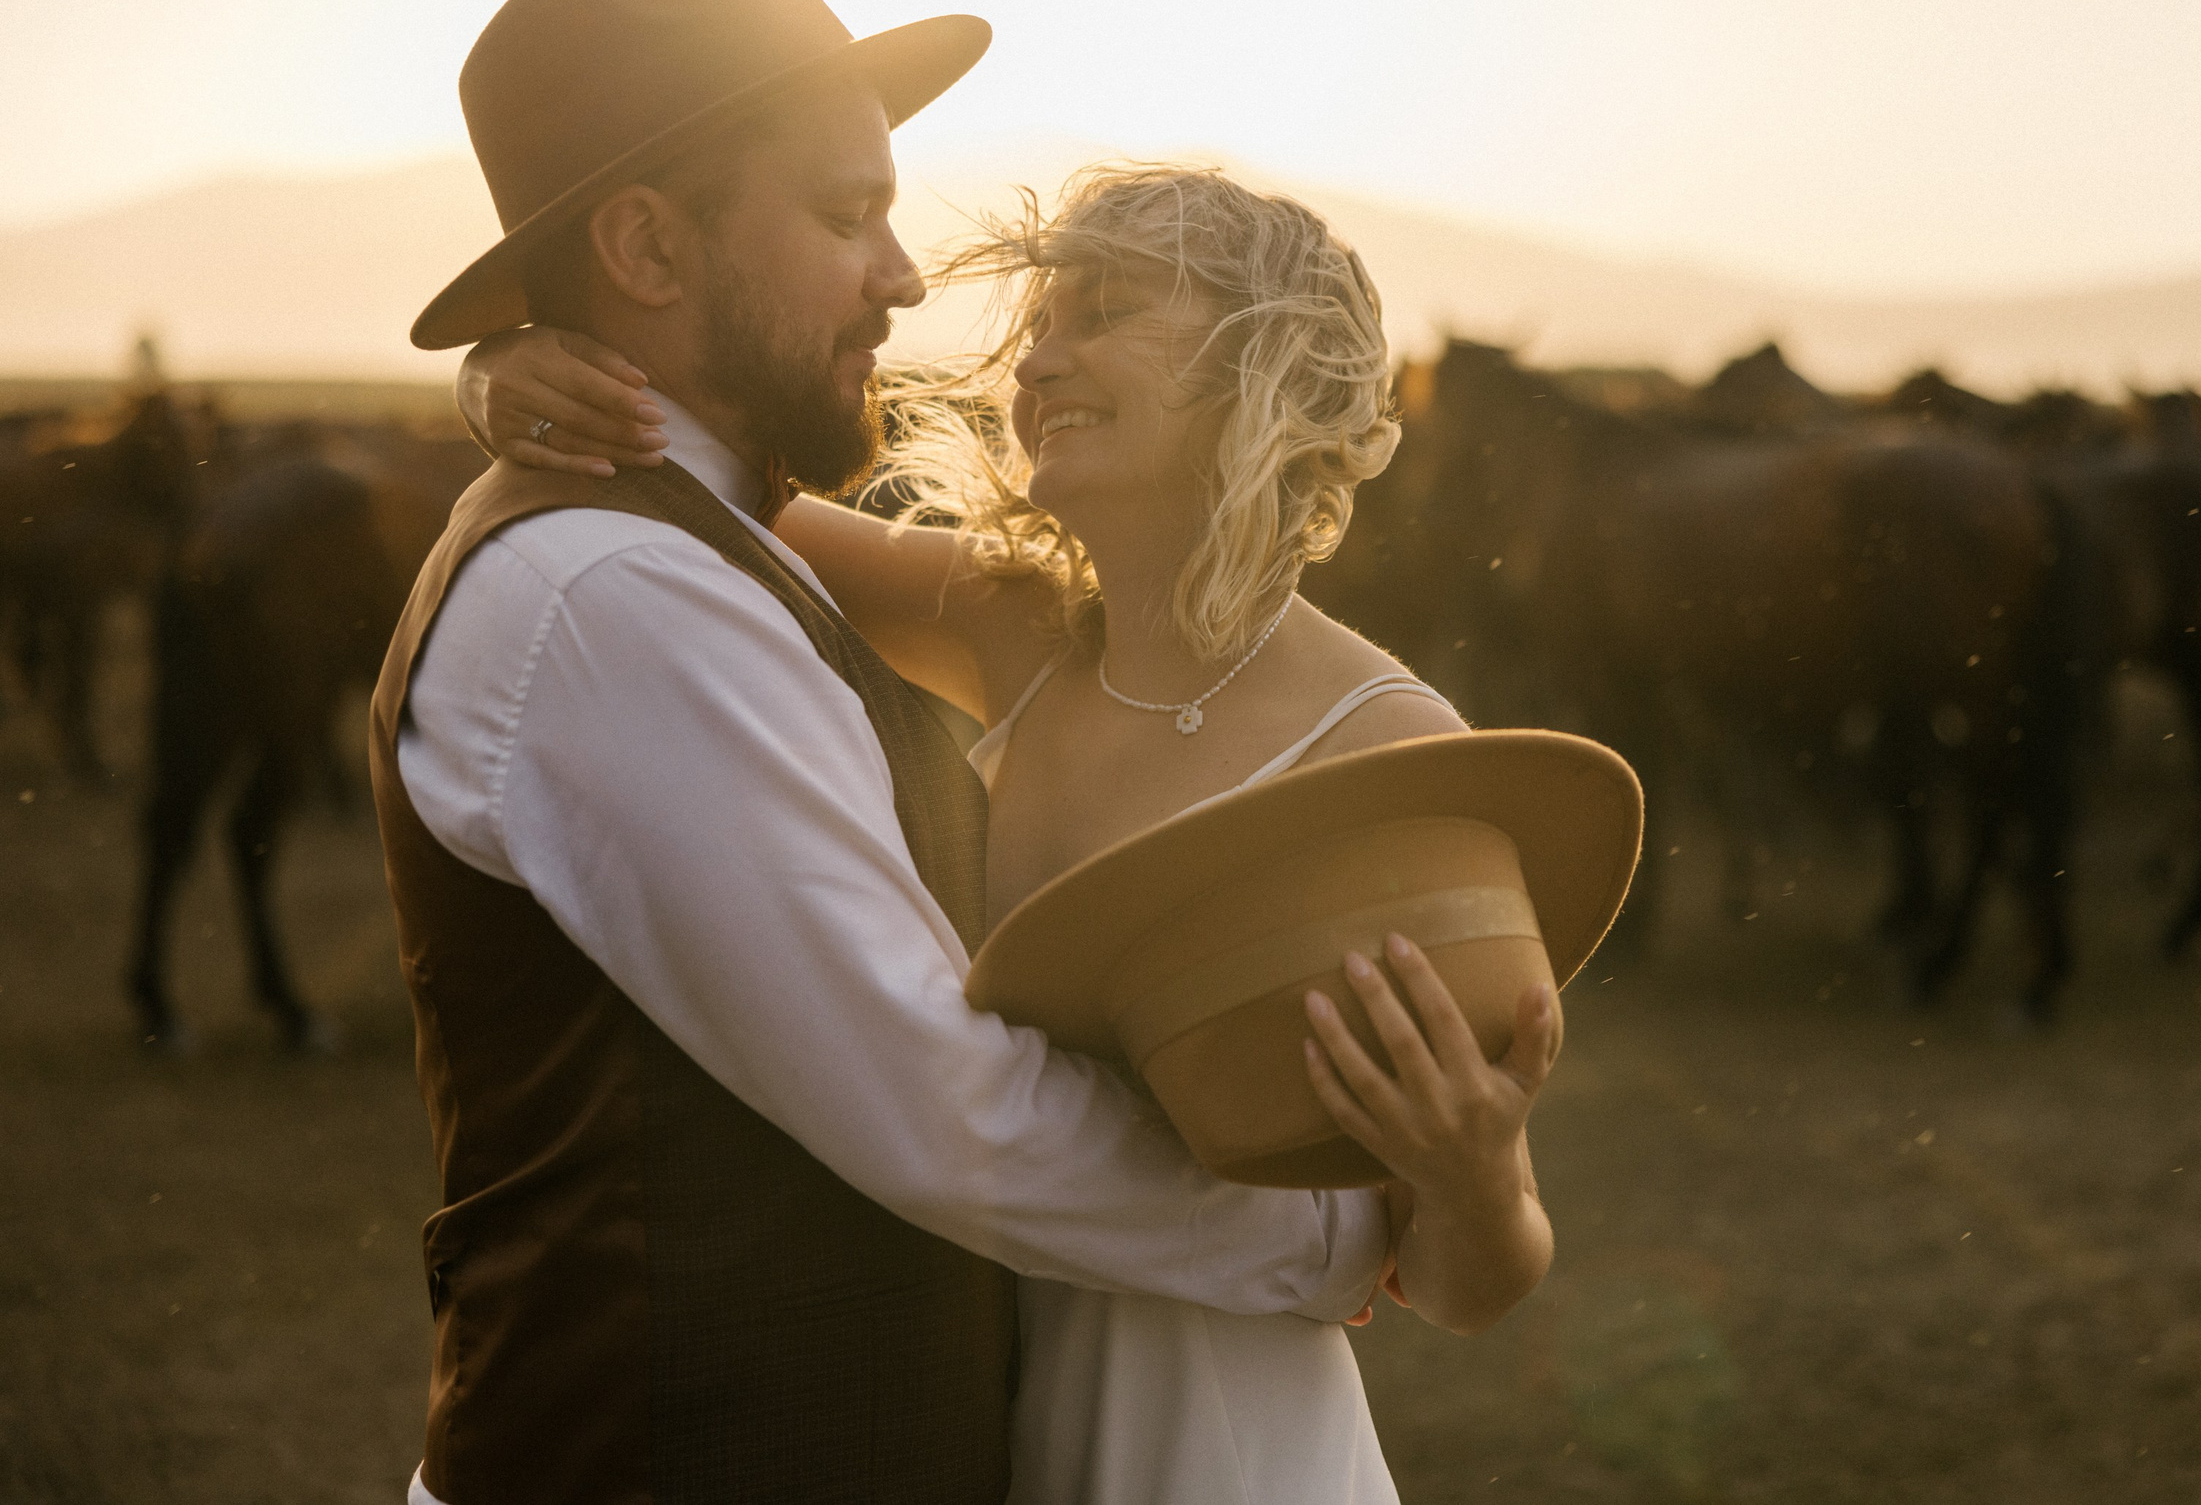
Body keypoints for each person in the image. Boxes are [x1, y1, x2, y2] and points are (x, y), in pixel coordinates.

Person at [380, 0, 1408, 1505]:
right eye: (847, 213)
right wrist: (1324, 1227)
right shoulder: (611, 594)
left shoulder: (700, 543)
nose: (909, 276)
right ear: (650, 253)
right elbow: (940, 1104)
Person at [460, 161, 1565, 1501]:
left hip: (1221, 1443)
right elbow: (683, 501)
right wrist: (506, 381)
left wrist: (1479, 1171)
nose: (1038, 362)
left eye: (1098, 312)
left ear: (1255, 358)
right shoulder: (1013, 629)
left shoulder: (1387, 748)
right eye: (1036, 327)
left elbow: (1459, 1284)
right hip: (964, 1417)